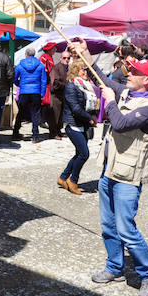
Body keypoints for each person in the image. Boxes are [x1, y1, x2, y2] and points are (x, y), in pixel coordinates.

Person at [77, 43, 148, 296]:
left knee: (126, 229)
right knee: (108, 226)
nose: (128, 73)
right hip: (109, 171)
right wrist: (85, 54)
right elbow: (101, 77)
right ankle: (114, 267)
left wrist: (111, 102)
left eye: (133, 71)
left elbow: (121, 123)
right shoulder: (129, 93)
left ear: (147, 80)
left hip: (128, 177)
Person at [58, 59, 98, 195]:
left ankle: (63, 177)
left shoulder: (85, 85)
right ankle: (73, 180)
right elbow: (75, 108)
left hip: (82, 124)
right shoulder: (71, 86)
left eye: (86, 69)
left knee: (79, 153)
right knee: (84, 154)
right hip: (72, 124)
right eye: (83, 69)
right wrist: (90, 118)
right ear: (76, 71)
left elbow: (89, 104)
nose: (85, 72)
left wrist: (94, 115)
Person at [13, 47, 47, 142]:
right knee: (35, 114)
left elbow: (15, 78)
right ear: (34, 54)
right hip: (36, 92)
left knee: (20, 112)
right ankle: (35, 136)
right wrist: (42, 94)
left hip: (24, 92)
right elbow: (43, 81)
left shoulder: (20, 65)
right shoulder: (40, 66)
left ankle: (15, 133)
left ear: (26, 54)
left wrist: (19, 84)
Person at [48, 50, 71, 139]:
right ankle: (53, 133)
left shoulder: (68, 68)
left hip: (64, 94)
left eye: (68, 58)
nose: (66, 60)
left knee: (61, 114)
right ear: (61, 58)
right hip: (56, 94)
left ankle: (58, 130)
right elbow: (55, 82)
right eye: (64, 58)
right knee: (55, 114)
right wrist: (66, 85)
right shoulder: (56, 67)